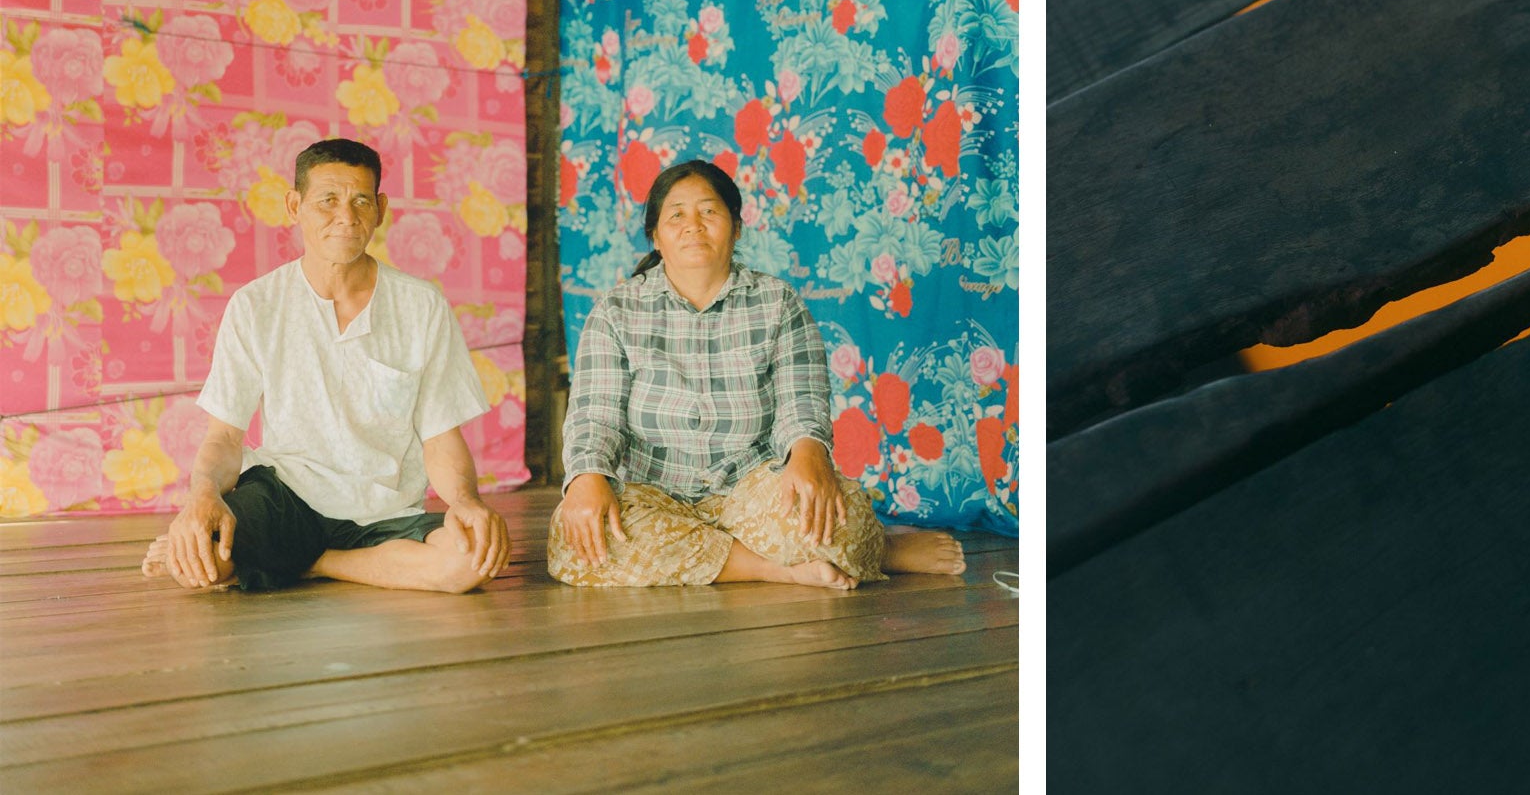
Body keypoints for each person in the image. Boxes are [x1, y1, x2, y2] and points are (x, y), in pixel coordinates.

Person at [551, 159, 966, 590]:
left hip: (749, 489)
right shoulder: (616, 311)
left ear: (736, 227)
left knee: (845, 517)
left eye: (709, 211)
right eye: (676, 215)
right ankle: (777, 567)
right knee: (573, 536)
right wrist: (586, 478)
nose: (693, 225)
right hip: (652, 494)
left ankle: (864, 547)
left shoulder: (778, 302)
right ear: (655, 236)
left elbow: (801, 402)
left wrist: (808, 455)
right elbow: (594, 417)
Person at [142, 138, 509, 593]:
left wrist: (467, 502)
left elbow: (440, 435)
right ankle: (314, 559)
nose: (346, 217)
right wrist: (202, 499)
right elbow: (225, 435)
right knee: (200, 565)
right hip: (287, 498)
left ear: (380, 208)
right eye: (328, 201)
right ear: (294, 206)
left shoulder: (421, 305)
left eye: (360, 201)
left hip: (385, 514)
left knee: (468, 564)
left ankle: (308, 564)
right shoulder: (256, 305)